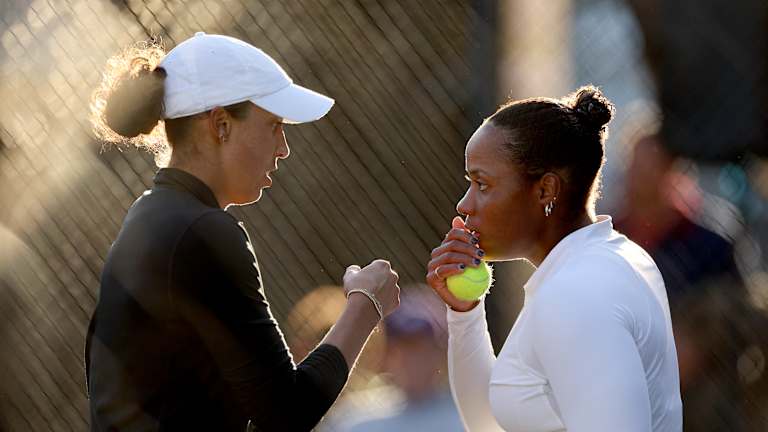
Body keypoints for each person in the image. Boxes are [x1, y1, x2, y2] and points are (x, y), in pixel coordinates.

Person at [85, 32, 400, 432]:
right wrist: (365, 305)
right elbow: (286, 411)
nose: (283, 148)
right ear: (220, 125)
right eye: (273, 125)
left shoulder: (153, 217)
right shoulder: (202, 230)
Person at [426, 86, 682, 431]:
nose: (464, 205)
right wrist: (465, 313)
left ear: (545, 190)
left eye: (482, 184)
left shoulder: (577, 293)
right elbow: (494, 425)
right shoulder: (604, 262)